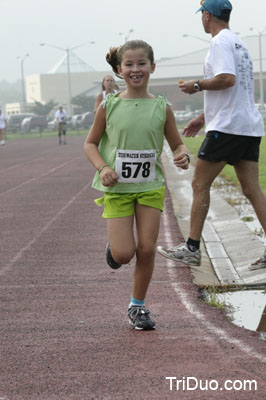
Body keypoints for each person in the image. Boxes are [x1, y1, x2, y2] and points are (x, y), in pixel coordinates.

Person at [84, 40, 190, 330]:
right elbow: (90, 143)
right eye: (129, 64)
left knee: (147, 248)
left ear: (152, 67)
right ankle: (115, 248)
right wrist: (103, 167)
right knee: (124, 254)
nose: (135, 69)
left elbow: (177, 143)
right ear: (119, 70)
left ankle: (137, 306)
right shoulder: (109, 106)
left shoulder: (162, 107)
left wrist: (182, 154)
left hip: (150, 187)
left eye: (141, 63)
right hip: (117, 188)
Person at [157, 0, 266, 271]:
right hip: (247, 126)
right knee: (252, 190)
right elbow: (236, 91)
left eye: (202, 15)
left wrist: (196, 85)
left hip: (227, 128)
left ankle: (192, 248)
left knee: (199, 184)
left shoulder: (219, 43)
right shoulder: (239, 44)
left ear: (207, 16)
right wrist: (203, 117)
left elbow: (226, 80)